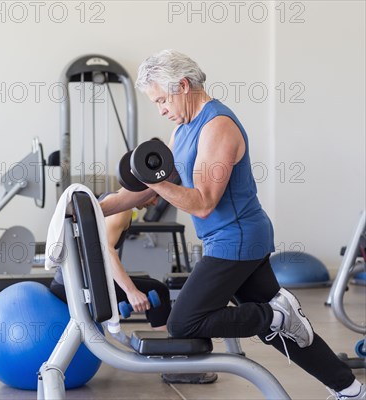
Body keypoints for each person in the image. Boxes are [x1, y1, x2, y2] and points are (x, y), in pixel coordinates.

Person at [99, 49, 365, 400]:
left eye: (162, 99)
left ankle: (272, 315)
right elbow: (149, 189)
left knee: (185, 322)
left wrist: (158, 182)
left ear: (182, 86)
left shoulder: (218, 127)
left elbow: (204, 203)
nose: (161, 108)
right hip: (228, 241)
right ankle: (351, 389)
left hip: (237, 239)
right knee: (287, 331)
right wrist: (91, 206)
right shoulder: (181, 130)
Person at [50, 192, 218, 384]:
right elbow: (106, 251)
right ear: (140, 188)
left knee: (150, 285)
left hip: (69, 284)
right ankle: (174, 366)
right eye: (154, 195)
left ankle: (169, 358)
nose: (155, 202)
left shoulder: (109, 201)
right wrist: (131, 291)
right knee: (159, 293)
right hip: (78, 288)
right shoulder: (121, 210)